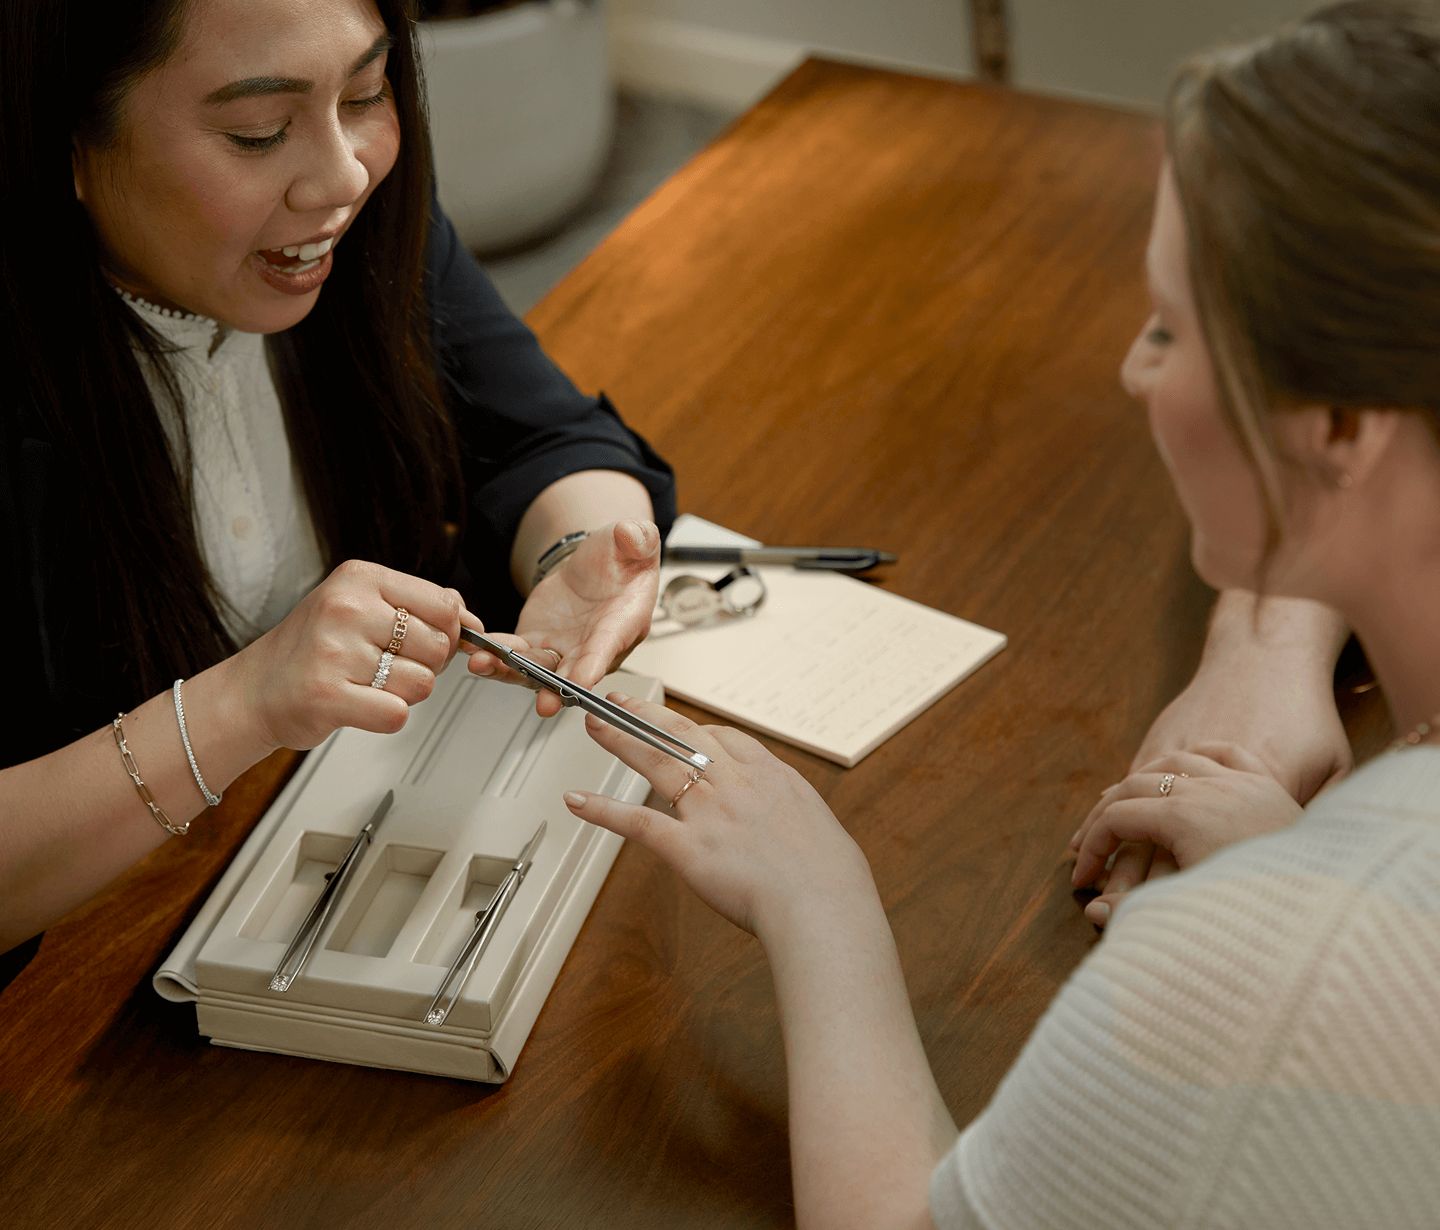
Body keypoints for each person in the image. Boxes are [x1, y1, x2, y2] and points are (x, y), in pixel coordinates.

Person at [562, 3, 1440, 1225]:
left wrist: (821, 905)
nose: (1137, 371)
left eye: (1170, 328)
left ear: (1342, 426)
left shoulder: (1258, 970)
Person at [0, 0, 674, 957]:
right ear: (64, 138)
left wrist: (580, 549)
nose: (344, 173)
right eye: (258, 133)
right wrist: (243, 704)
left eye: (366, 92)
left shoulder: (342, 232)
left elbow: (540, 436)